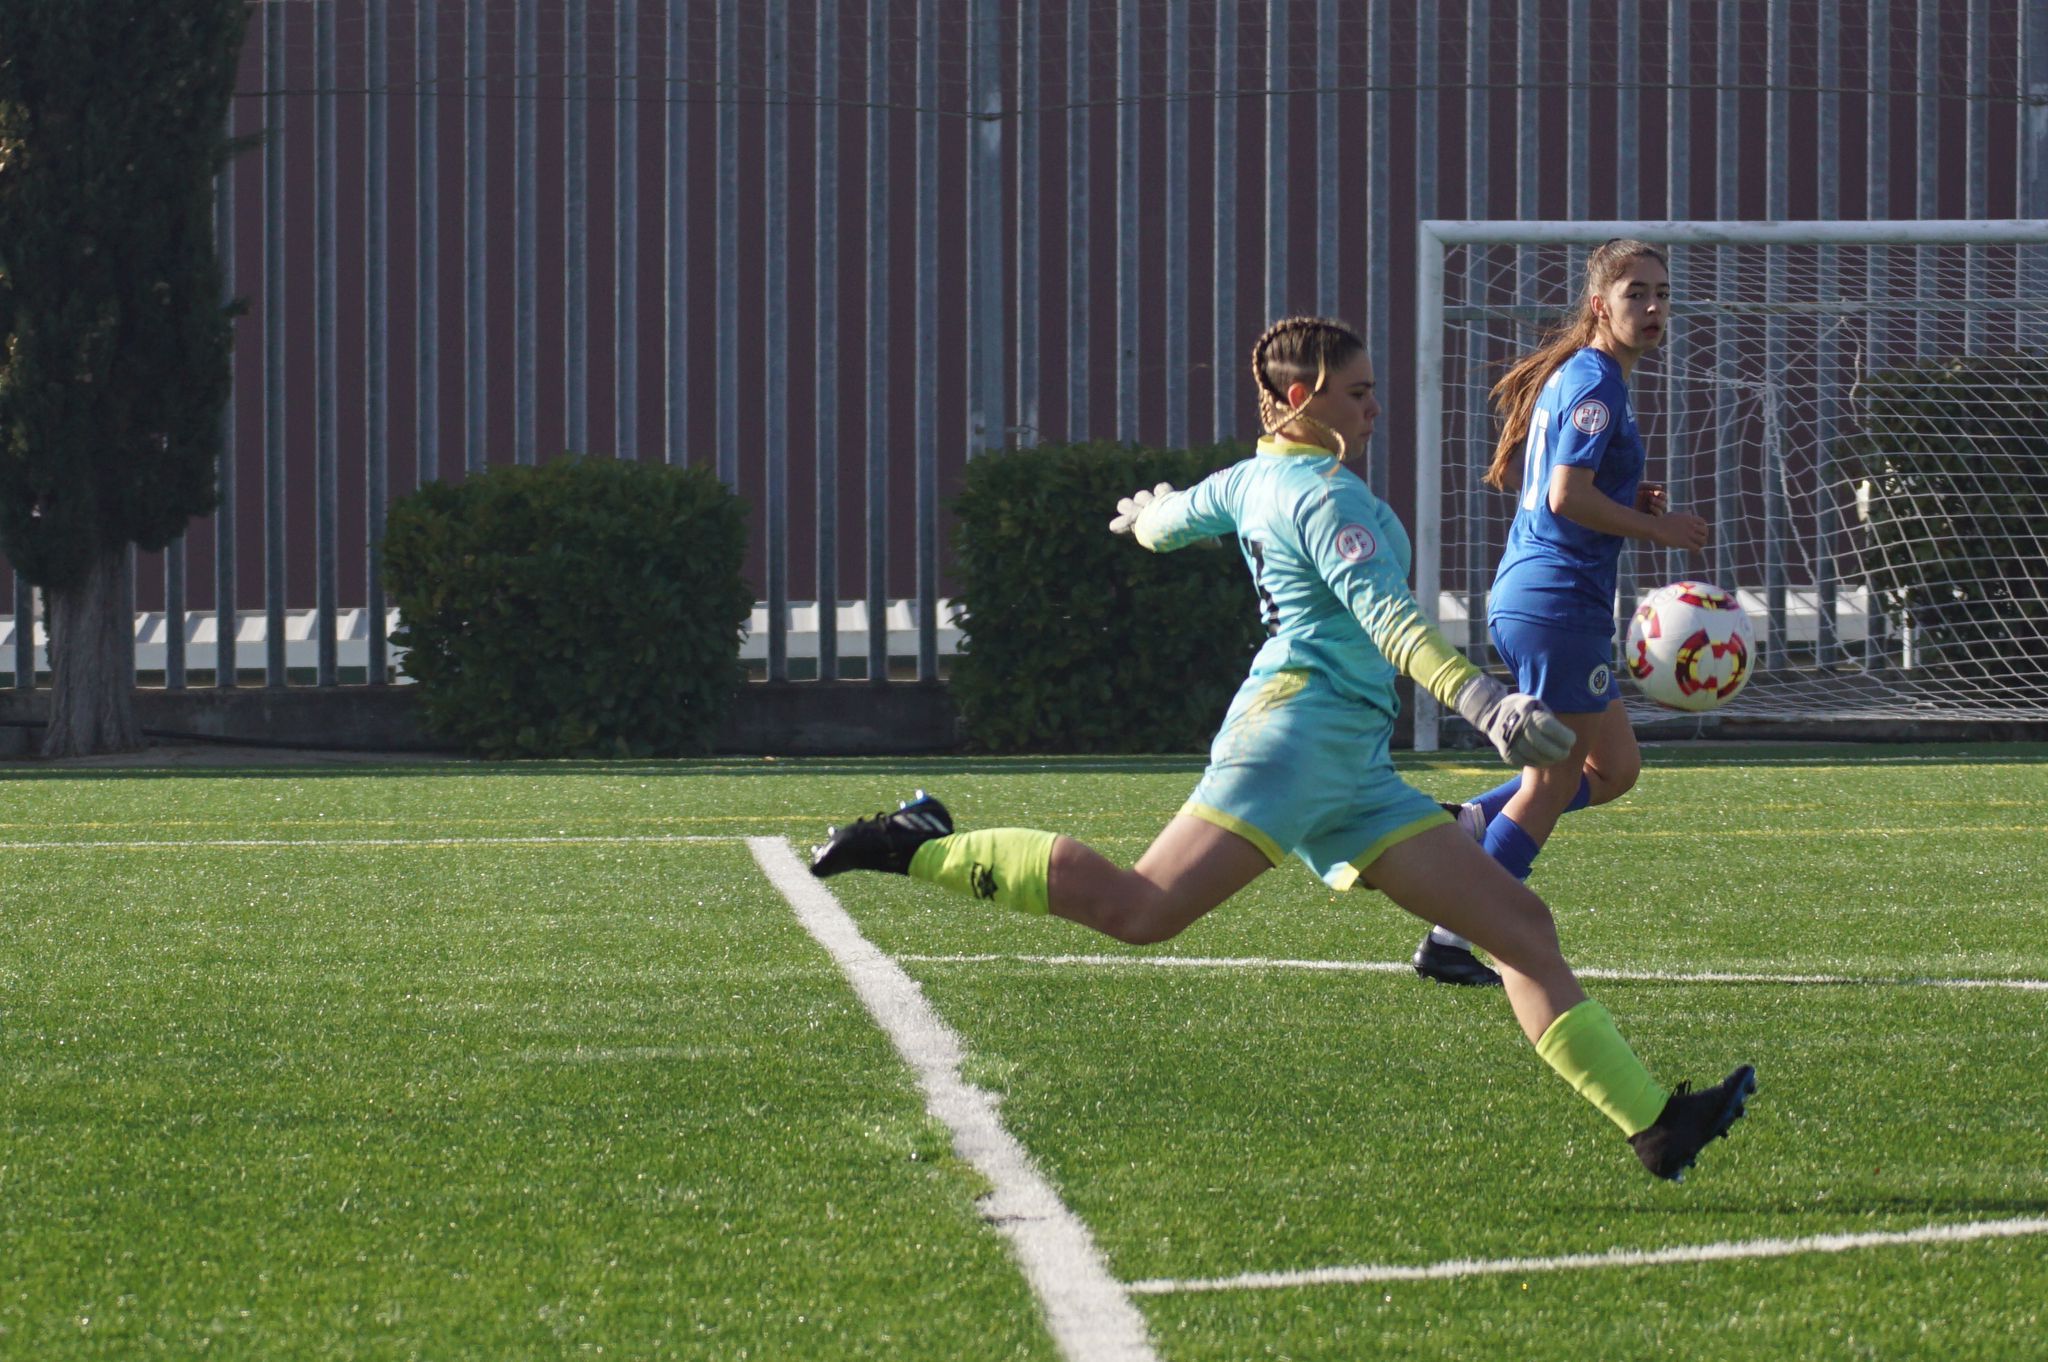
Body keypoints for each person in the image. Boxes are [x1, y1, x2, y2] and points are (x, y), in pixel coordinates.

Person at [810, 316, 1754, 1181]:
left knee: (1521, 930)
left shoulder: (1255, 475)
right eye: (1358, 393)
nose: (1376, 407)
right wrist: (1484, 702)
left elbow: (1179, 521)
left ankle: (1655, 1126)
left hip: (1351, 764)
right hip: (1295, 738)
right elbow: (1389, 620)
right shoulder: (1321, 496)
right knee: (1142, 909)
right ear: (1303, 400)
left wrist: (1148, 518)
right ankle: (916, 842)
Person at [1424, 240, 1712, 973]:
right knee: (1553, 780)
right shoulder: (1596, 382)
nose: (1652, 309)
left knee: (1612, 768)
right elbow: (1563, 496)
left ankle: (1469, 822)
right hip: (1555, 602)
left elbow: (1575, 490)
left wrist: (1627, 500)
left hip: (1547, 598)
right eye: (1635, 295)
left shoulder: (1591, 375)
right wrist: (1658, 527)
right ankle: (1454, 938)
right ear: (1598, 306)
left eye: (1661, 294)